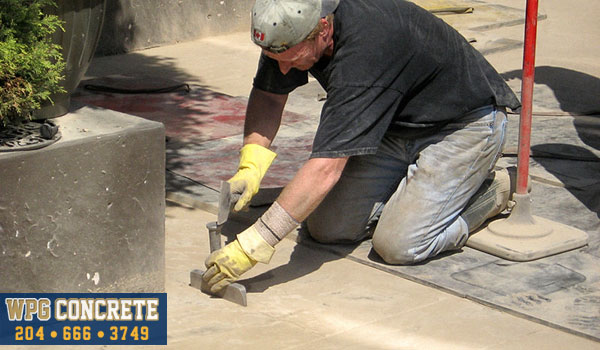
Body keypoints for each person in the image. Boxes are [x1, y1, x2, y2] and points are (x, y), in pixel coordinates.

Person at [203, 0, 521, 293]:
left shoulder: (365, 50)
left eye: (291, 60)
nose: (283, 69)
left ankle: (492, 191)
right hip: (393, 126)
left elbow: (327, 166)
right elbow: (270, 96)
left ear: (324, 30)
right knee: (326, 228)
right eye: (277, 60)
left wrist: (255, 244)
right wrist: (251, 164)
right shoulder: (292, 28)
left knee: (398, 245)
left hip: (464, 126)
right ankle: (416, 197)